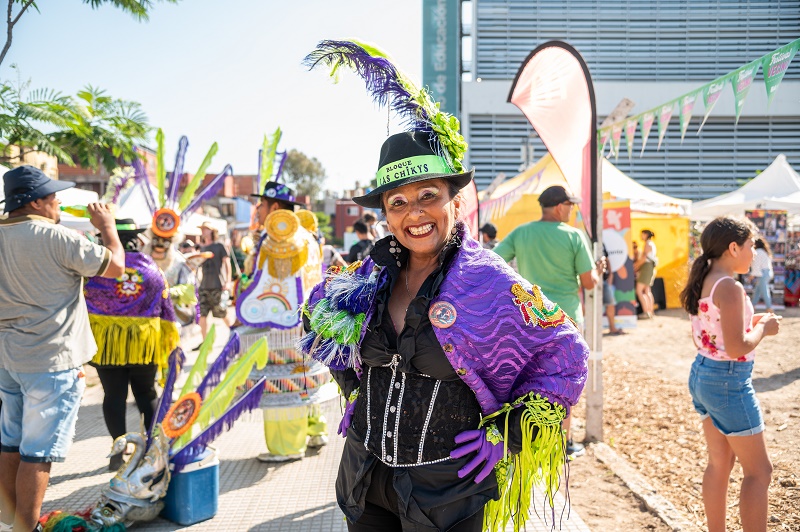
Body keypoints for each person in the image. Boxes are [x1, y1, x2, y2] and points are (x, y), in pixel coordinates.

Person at [301, 131, 588, 531]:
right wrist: (354, 389)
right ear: (386, 216)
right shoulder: (369, 275)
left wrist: (508, 433)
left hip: (448, 493)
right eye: (398, 202)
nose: (414, 213)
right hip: (363, 481)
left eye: (428, 195)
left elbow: (567, 356)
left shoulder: (491, 282)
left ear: (455, 202)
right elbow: (317, 317)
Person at [0, 165, 124, 532]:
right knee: (38, 453)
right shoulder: (58, 238)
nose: (57, 204)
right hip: (51, 360)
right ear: (35, 202)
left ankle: (9, 522)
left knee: (9, 443)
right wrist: (108, 228)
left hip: (7, 357)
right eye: (53, 198)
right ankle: (26, 528)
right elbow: (116, 266)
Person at [680, 216, 781, 532]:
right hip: (728, 380)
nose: (754, 252)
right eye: (751, 245)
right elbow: (737, 347)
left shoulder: (706, 278)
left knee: (719, 464)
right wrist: (763, 328)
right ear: (733, 247)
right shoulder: (730, 287)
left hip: (703, 374)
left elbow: (716, 333)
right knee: (760, 472)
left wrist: (752, 323)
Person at [492, 184, 604, 457]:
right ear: (559, 207)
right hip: (566, 321)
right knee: (565, 382)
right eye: (570, 205)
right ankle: (561, 444)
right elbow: (589, 283)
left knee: (530, 380)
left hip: (530, 319)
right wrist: (598, 271)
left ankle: (528, 441)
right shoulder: (573, 236)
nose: (572, 210)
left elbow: (494, 262)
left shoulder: (521, 232)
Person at [235, 179, 332, 463]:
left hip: (281, 324)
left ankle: (287, 445)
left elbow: (268, 285)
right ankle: (315, 430)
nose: (258, 210)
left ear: (275, 207)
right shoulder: (307, 235)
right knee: (305, 377)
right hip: (307, 320)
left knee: (283, 381)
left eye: (261, 205)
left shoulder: (279, 237)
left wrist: (244, 295)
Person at [84, 219, 180, 470]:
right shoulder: (151, 269)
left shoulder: (99, 268)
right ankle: (152, 450)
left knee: (113, 395)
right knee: (146, 393)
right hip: (143, 344)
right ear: (136, 240)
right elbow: (166, 307)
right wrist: (170, 340)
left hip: (108, 344)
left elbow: (85, 301)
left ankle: (118, 452)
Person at [144, 230, 198, 328]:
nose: (160, 245)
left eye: (165, 242)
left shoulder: (180, 262)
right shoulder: (144, 261)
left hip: (171, 317)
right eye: (156, 240)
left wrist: (167, 292)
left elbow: (188, 289)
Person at [197, 222, 232, 343]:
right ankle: (205, 342)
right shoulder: (202, 248)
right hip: (204, 286)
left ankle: (234, 333)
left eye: (205, 229)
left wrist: (228, 281)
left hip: (217, 285)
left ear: (212, 231)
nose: (203, 231)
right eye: (202, 229)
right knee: (202, 315)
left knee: (222, 313)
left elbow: (227, 263)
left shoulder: (219, 246)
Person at [634, 229, 657, 319]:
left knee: (639, 290)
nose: (641, 236)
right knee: (647, 290)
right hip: (649, 268)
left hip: (646, 268)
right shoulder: (651, 244)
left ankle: (646, 312)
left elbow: (644, 258)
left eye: (642, 234)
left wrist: (635, 266)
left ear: (646, 235)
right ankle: (650, 311)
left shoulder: (648, 244)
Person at [603, 245, 624, 335]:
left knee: (610, 304)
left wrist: (610, 275)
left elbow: (607, 260)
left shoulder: (602, 245)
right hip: (592, 280)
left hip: (603, 280)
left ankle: (612, 328)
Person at [749, 238, 774, 312]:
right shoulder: (764, 251)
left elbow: (756, 265)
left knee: (764, 291)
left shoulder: (758, 252)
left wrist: (752, 274)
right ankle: (752, 306)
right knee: (758, 291)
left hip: (762, 273)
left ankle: (769, 307)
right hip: (767, 272)